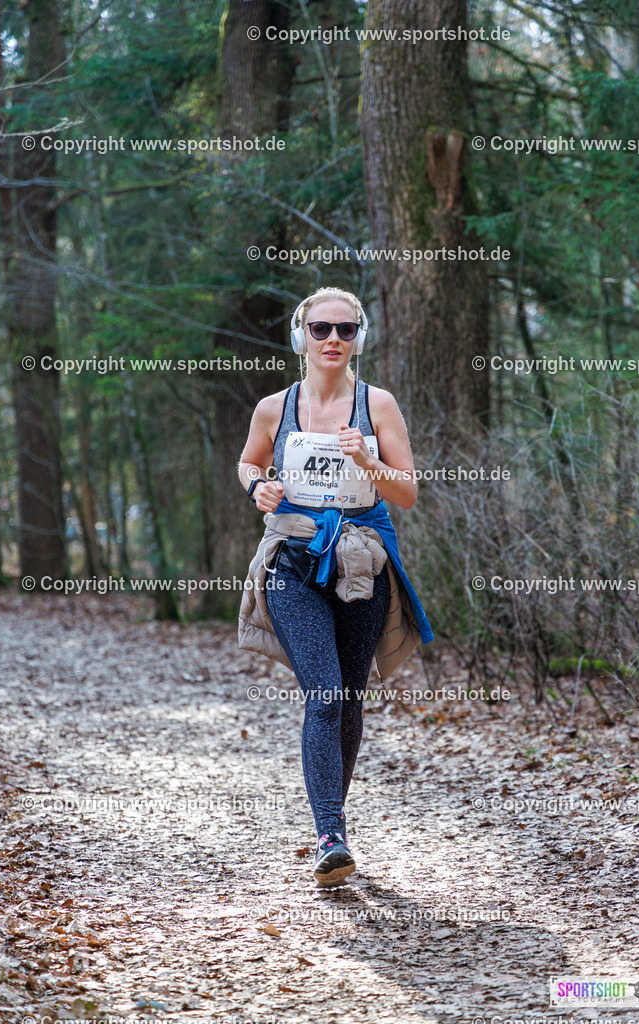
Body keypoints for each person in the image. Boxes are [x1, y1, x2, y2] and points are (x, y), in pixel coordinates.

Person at [237, 286, 433, 888]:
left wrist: (368, 463)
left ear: (358, 340)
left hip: (361, 565)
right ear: (301, 337)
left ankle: (332, 832)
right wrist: (257, 489)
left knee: (347, 695)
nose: (333, 341)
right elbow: (248, 462)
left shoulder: (378, 405)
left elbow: (406, 491)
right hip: (293, 564)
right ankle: (331, 834)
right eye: (321, 329)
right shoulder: (275, 407)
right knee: (324, 692)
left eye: (346, 331)